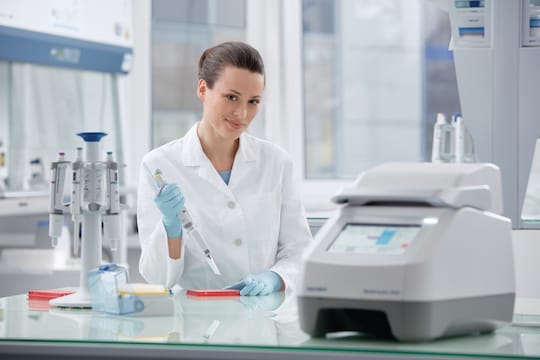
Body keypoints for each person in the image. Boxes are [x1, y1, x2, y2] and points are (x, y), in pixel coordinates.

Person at [137, 41, 312, 296]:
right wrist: (170, 226)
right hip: (195, 325)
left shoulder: (276, 162)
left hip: (261, 322)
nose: (241, 113)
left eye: (253, 101)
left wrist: (275, 278)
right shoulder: (159, 165)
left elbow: (298, 250)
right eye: (231, 97)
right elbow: (157, 278)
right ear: (202, 89)